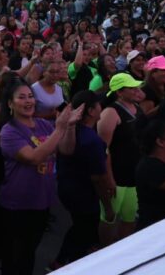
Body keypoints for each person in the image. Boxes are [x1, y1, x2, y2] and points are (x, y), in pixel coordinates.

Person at [0, 79, 83, 275]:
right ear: (10, 104)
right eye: (21, 97)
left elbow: (66, 149)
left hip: (41, 200)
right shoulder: (9, 131)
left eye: (30, 96)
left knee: (29, 253)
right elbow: (34, 158)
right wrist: (60, 128)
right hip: (17, 204)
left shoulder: (44, 125)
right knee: (15, 258)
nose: (28, 101)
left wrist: (69, 127)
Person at [53, 91, 110, 267]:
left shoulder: (73, 132)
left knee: (78, 227)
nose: (102, 108)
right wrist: (108, 206)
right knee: (84, 233)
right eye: (99, 105)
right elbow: (97, 178)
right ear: (91, 111)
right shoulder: (92, 141)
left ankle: (59, 261)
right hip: (83, 195)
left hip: (66, 189)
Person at [96, 72, 147, 245]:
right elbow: (103, 150)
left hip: (134, 175)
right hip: (117, 177)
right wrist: (108, 179)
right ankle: (105, 250)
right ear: (119, 92)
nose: (136, 90)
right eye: (131, 88)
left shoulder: (138, 108)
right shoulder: (110, 113)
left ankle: (122, 249)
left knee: (130, 217)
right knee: (109, 217)